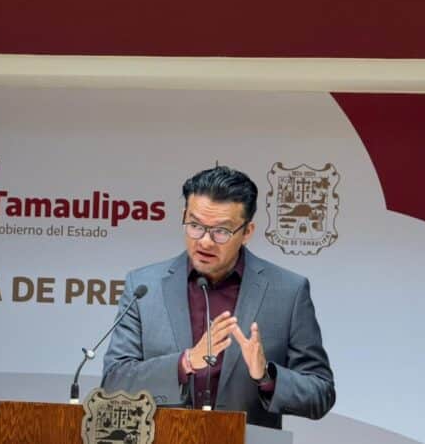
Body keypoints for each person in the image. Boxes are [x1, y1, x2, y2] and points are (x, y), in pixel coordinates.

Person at [102, 165, 335, 429]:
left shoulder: (287, 291)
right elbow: (114, 382)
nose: (205, 241)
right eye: (195, 226)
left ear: (247, 232)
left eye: (221, 231)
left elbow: (321, 394)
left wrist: (266, 376)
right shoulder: (144, 286)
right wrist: (185, 362)